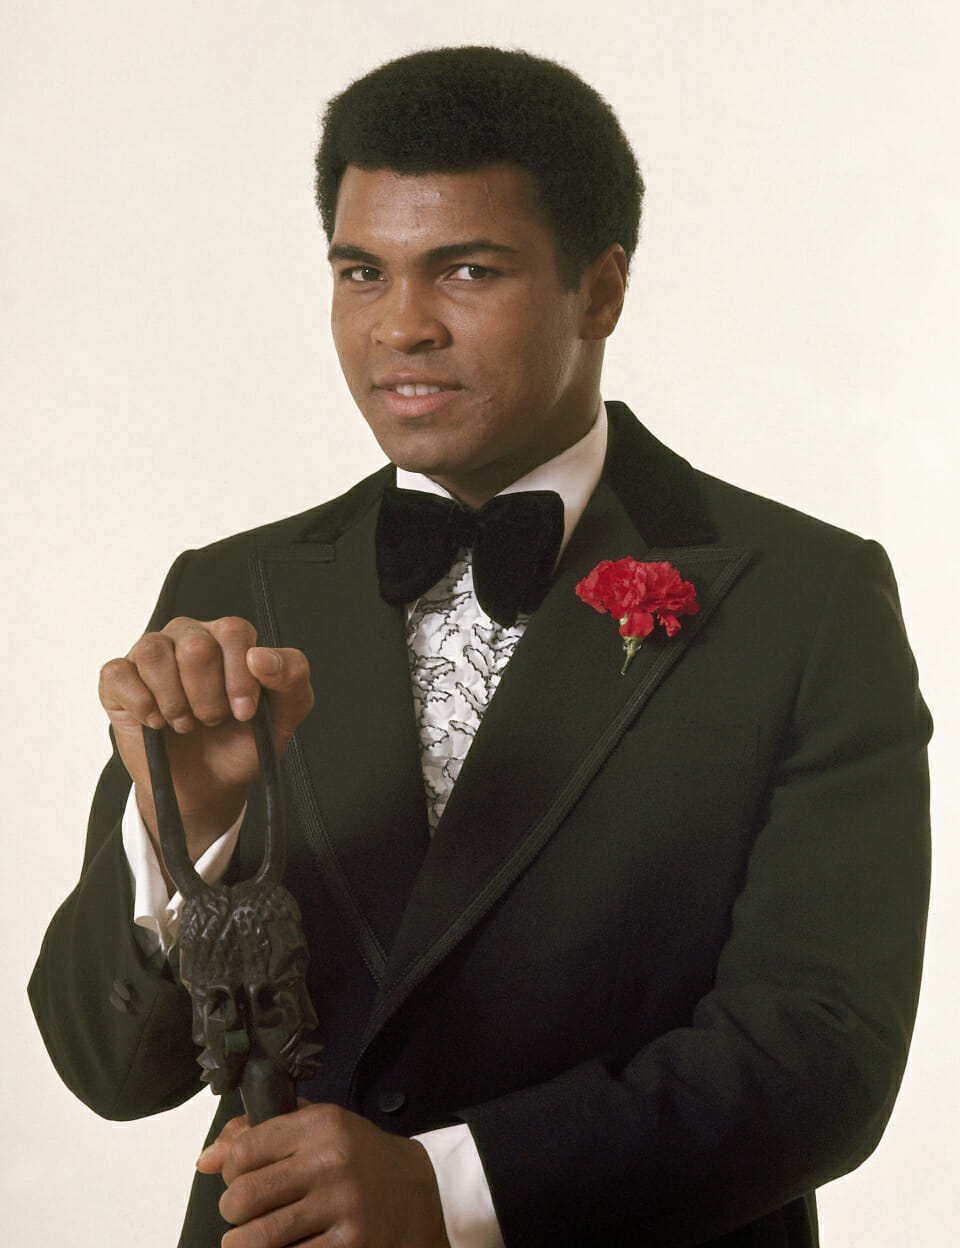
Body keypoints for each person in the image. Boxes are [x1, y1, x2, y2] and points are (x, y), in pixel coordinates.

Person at [29, 46, 931, 1248]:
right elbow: (108, 1066)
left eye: (465, 270)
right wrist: (181, 829)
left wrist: (457, 1190)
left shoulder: (805, 597)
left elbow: (823, 1057)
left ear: (601, 291)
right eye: (362, 272)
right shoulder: (231, 587)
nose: (402, 326)